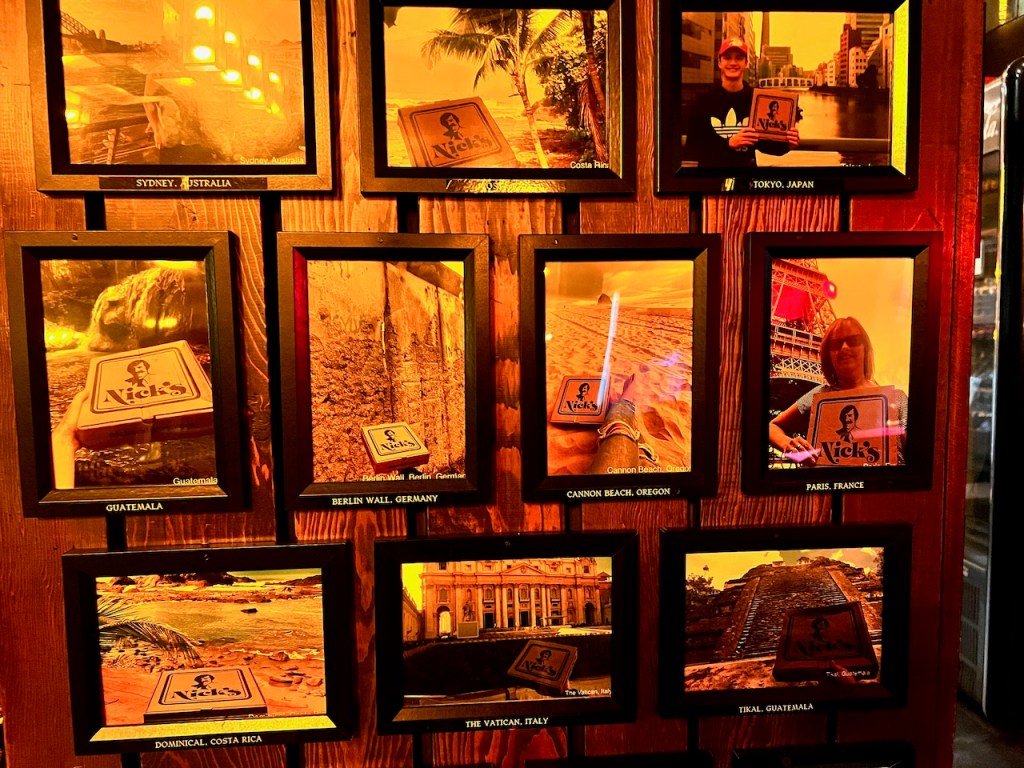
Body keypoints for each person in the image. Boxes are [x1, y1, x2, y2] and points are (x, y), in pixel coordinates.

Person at [767, 316, 908, 467]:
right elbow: (771, 427)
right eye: (835, 344)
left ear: (865, 349)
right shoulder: (818, 395)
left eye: (853, 340)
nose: (845, 347)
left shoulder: (896, 399)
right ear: (828, 355)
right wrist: (788, 445)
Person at [681, 37, 800, 168]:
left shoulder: (757, 100)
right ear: (719, 63)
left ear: (746, 63)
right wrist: (728, 144)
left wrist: (787, 143)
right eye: (727, 58)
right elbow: (692, 148)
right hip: (711, 176)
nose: (733, 62)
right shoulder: (702, 101)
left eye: (739, 58)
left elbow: (765, 145)